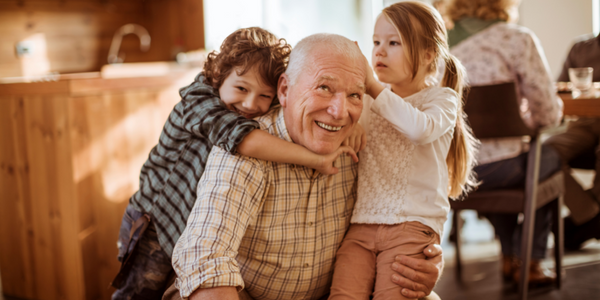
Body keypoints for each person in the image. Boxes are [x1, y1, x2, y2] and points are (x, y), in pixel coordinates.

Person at [166, 33, 444, 300]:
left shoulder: (361, 143)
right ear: (285, 90)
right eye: (324, 88)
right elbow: (204, 256)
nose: (339, 112)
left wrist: (422, 256)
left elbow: (408, 205)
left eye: (355, 96)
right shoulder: (244, 146)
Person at [111, 27, 359, 300]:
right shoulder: (199, 100)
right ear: (218, 76)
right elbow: (244, 140)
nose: (251, 104)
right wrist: (316, 160)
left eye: (264, 96)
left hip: (186, 222)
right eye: (241, 88)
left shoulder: (259, 108)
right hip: (155, 219)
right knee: (138, 291)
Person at [327, 2, 477, 299]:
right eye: (376, 42)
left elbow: (418, 129)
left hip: (412, 226)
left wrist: (371, 85)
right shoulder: (370, 102)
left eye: (393, 42)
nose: (379, 51)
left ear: (427, 54)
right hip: (362, 225)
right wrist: (352, 125)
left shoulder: (441, 100)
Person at [443, 0, 563, 287]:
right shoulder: (517, 39)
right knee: (549, 160)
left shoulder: (440, 45)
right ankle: (529, 259)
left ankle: (510, 257)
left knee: (504, 166)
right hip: (504, 167)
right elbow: (547, 114)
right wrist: (523, 127)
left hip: (456, 170)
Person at [546, 33, 600, 251]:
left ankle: (584, 223)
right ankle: (590, 216)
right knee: (543, 153)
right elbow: (561, 89)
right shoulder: (580, 48)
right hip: (583, 125)